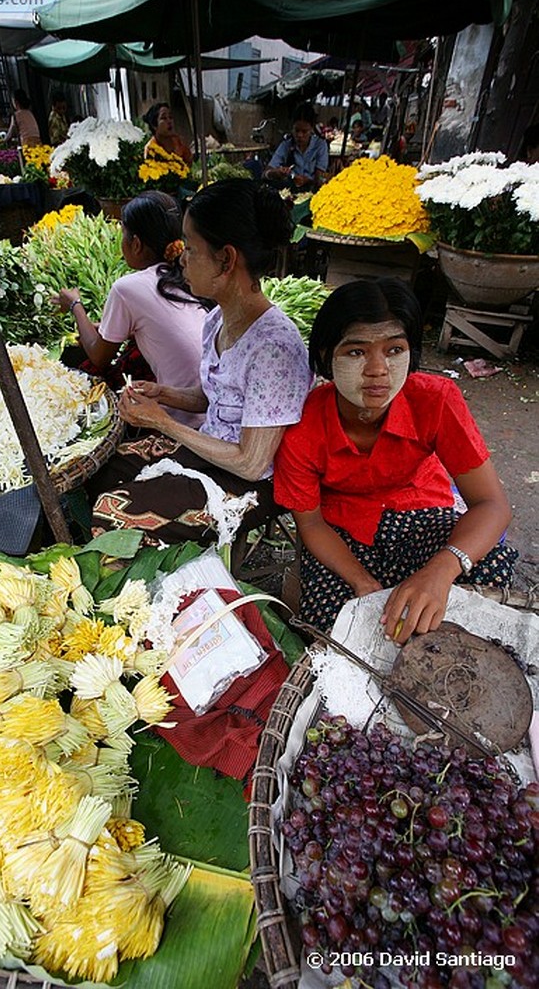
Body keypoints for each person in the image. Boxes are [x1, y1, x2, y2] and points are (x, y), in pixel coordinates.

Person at [274, 278, 518, 644]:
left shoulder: (436, 400)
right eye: (356, 352)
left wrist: (440, 570)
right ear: (326, 355)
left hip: (418, 515)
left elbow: (492, 505)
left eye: (394, 350)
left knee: (491, 566)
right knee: (333, 627)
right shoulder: (302, 427)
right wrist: (363, 584)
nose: (378, 369)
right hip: (341, 534)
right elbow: (311, 526)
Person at [86, 179, 311, 544]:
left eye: (191, 248)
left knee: (113, 512)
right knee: (101, 469)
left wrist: (163, 423)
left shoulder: (274, 349)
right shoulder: (217, 319)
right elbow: (214, 398)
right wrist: (164, 394)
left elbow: (252, 463)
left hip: (252, 482)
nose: (181, 258)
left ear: (226, 259)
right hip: (212, 448)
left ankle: (156, 591)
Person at [55, 191, 209, 428]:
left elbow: (99, 356)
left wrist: (75, 305)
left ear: (136, 244)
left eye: (123, 234)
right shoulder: (186, 275)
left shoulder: (127, 288)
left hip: (185, 418)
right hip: (212, 405)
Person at [263, 104, 329, 192]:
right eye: (297, 130)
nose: (299, 135)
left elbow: (319, 179)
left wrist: (308, 180)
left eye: (304, 131)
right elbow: (265, 174)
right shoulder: (286, 145)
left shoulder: (320, 146)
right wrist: (275, 173)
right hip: (288, 193)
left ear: (312, 129)